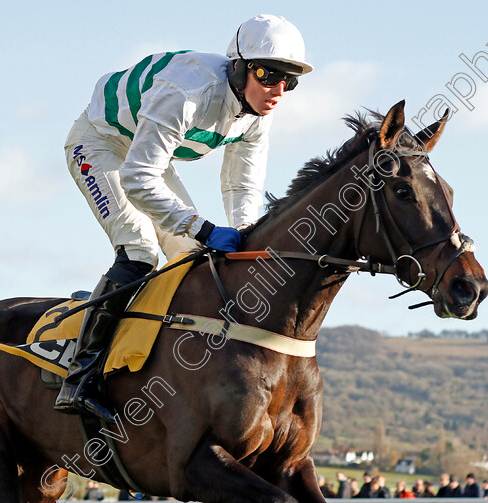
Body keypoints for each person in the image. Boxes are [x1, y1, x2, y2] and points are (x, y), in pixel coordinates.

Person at [53, 14, 313, 421]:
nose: (277, 90)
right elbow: (138, 181)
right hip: (101, 144)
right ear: (240, 66)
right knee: (140, 251)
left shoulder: (258, 113)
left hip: (143, 155)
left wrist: (245, 233)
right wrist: (205, 227)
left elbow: (241, 186)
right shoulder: (188, 91)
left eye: (290, 81)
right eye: (268, 75)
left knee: (193, 256)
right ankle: (79, 378)